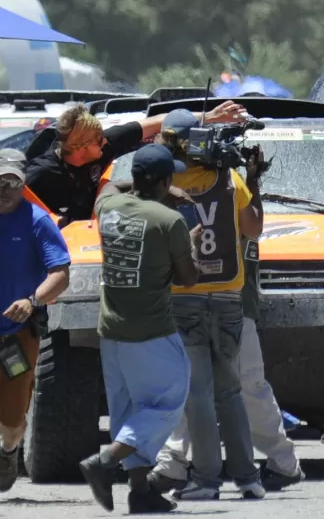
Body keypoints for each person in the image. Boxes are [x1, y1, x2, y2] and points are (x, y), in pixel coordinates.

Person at [147, 109, 266, 501]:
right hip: (229, 297)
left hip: (184, 299)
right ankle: (248, 477)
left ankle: (207, 480)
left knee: (198, 393)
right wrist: (254, 180)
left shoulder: (162, 183)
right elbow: (253, 229)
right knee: (229, 391)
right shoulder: (228, 179)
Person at [77, 144, 201, 514]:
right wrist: (189, 245)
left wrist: (148, 185)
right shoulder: (169, 222)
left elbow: (109, 187)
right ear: (165, 181)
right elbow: (188, 278)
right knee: (167, 403)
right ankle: (105, 460)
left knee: (129, 410)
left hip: (112, 331)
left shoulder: (107, 208)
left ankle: (140, 491)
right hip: (151, 332)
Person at [150, 236, 306, 493]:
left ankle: (280, 462)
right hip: (208, 303)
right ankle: (175, 462)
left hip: (223, 303)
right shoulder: (233, 197)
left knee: (237, 387)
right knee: (200, 386)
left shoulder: (233, 196)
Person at [23, 101, 246, 226]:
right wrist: (49, 218)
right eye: (99, 140)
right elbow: (12, 196)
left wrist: (209, 116)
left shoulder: (104, 146)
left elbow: (158, 122)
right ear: (81, 147)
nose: (106, 142)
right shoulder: (42, 171)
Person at [0, 148, 70, 492]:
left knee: (12, 420)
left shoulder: (37, 220)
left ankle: (9, 449)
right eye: (0, 181)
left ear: (22, 184)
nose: (5, 188)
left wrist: (32, 301)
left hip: (15, 338)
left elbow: (61, 273)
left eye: (12, 181)